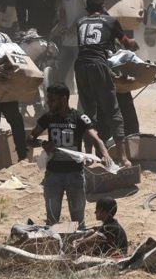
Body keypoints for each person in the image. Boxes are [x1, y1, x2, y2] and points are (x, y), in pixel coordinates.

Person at [28, 84, 113, 230]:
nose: (48, 102)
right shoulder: (48, 117)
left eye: (52, 99)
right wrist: (43, 143)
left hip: (75, 175)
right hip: (53, 176)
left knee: (78, 222)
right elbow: (30, 138)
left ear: (64, 99)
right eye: (48, 99)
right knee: (52, 221)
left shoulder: (79, 117)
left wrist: (105, 155)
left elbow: (97, 140)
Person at [75, 0, 139, 167]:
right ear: (103, 9)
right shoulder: (110, 21)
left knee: (88, 112)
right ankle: (123, 157)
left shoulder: (80, 22)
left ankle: (89, 155)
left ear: (87, 9)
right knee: (113, 111)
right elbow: (126, 43)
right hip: (99, 66)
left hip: (80, 66)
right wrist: (133, 44)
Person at [0, 2, 26, 166]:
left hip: (5, 89)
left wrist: (9, 67)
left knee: (16, 121)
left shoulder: (3, 37)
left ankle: (22, 158)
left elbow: (15, 56)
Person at [50, 0, 91, 89]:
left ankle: (84, 101)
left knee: (82, 74)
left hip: (81, 40)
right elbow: (64, 13)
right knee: (60, 73)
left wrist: (75, 26)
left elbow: (92, 9)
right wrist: (56, 30)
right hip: (67, 40)